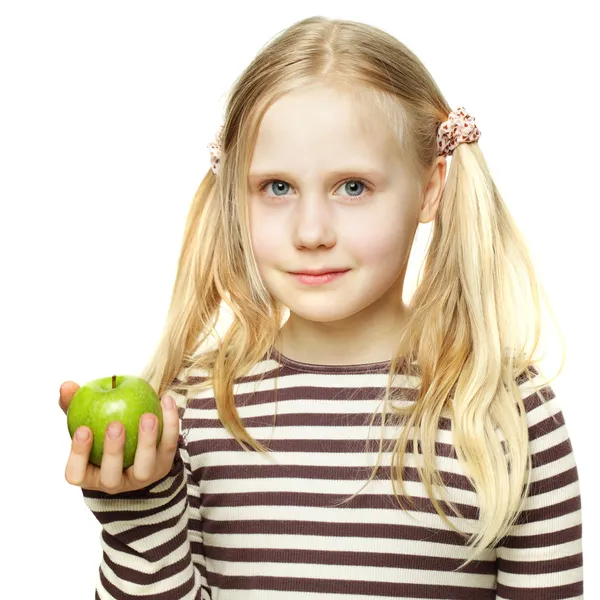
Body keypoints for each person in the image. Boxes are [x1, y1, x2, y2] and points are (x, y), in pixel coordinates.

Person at [59, 15, 584, 599]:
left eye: (352, 187)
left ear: (431, 188)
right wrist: (140, 514)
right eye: (277, 188)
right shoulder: (192, 413)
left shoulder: (505, 412)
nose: (311, 232)